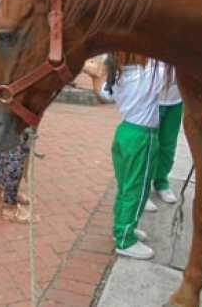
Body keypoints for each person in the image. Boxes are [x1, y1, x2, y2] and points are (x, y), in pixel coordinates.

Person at [84, 53, 165, 260]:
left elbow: (104, 95)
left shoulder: (119, 75)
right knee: (137, 189)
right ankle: (125, 240)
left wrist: (95, 75)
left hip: (124, 134)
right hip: (142, 137)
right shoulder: (149, 74)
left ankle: (121, 227)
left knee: (126, 186)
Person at [152, 64, 183, 204]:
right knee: (149, 146)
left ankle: (161, 183)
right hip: (152, 100)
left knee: (168, 147)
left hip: (176, 100)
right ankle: (142, 188)